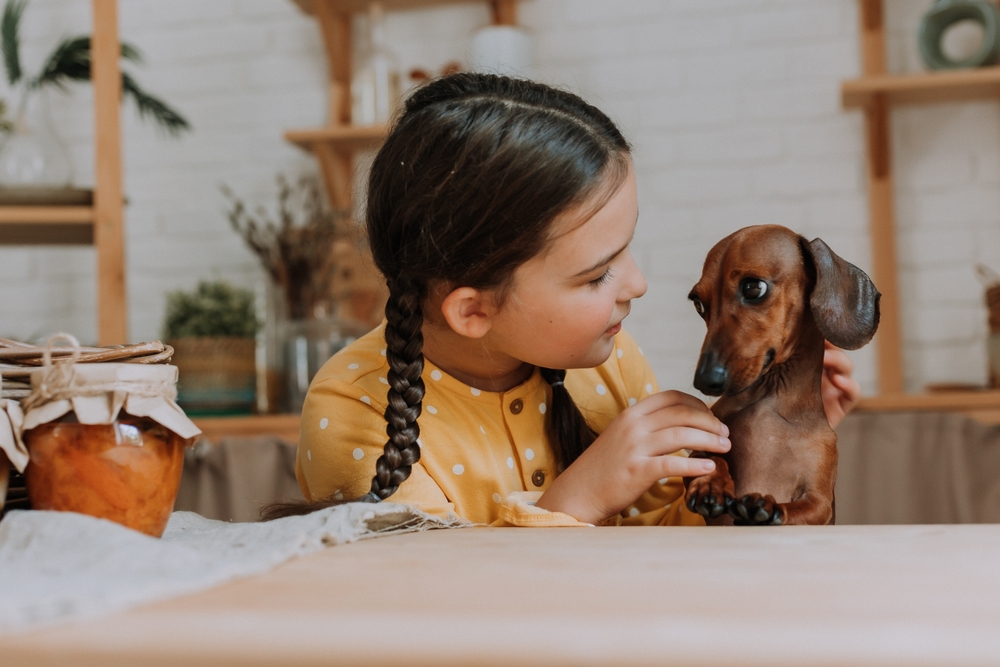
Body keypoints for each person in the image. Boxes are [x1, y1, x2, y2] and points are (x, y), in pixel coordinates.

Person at [276, 73, 861, 527]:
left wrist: (770, 452)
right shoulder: (354, 414)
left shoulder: (611, 362)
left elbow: (677, 544)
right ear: (473, 310)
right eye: (597, 275)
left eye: (626, 251)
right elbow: (430, 607)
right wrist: (580, 497)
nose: (637, 284)